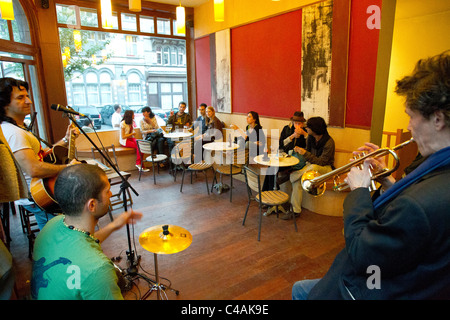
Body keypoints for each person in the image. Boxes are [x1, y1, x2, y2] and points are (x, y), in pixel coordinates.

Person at [293, 51, 450, 300]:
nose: (408, 127)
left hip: (367, 288)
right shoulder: (436, 168)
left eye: (411, 117)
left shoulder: (426, 198)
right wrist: (387, 180)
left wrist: (359, 190)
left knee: (301, 291)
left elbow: (363, 252)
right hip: (390, 279)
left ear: (438, 119)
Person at [31, 164, 143, 300]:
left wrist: (113, 225)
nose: (111, 194)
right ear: (92, 205)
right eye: (107, 191)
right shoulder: (97, 271)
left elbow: (83, 241)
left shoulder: (52, 225)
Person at [0, 77, 80, 230]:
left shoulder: (19, 128)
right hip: (39, 195)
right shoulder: (13, 133)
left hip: (41, 192)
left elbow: (41, 155)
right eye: (21, 97)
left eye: (27, 96)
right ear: (4, 104)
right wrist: (68, 168)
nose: (29, 101)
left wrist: (66, 140)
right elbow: (34, 169)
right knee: (55, 236)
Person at [282, 116, 334, 219]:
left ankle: (292, 176)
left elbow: (322, 162)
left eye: (308, 127)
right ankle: (295, 210)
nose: (306, 129)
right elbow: (309, 155)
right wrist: (302, 152)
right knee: (298, 182)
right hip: (310, 167)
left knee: (312, 166)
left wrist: (305, 153)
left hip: (326, 168)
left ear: (315, 129)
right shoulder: (310, 138)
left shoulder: (329, 142)